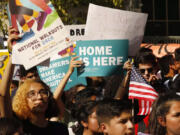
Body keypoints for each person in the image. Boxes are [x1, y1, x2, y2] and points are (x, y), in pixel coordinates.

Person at [0, 26, 83, 134]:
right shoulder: (18, 126)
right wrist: (14, 54)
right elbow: (3, 95)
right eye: (32, 94)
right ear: (22, 100)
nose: (39, 97)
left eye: (43, 92)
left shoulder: (60, 129)